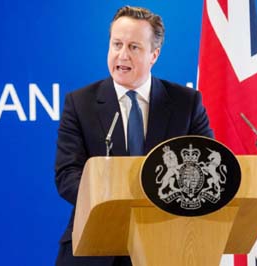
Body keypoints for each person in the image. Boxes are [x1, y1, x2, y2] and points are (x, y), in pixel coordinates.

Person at [54, 6, 213, 266]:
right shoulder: (80, 103)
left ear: (154, 55)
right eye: (116, 44)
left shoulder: (186, 103)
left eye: (134, 47)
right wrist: (113, 205)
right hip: (96, 245)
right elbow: (67, 174)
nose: (122, 55)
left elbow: (208, 170)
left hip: (167, 244)